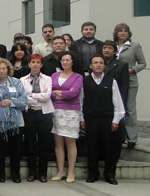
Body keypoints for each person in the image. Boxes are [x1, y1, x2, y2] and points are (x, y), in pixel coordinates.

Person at [82, 55, 126, 185]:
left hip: (108, 119)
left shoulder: (111, 81)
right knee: (92, 147)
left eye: (101, 63)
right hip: (90, 119)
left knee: (109, 148)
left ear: (104, 66)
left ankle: (110, 174)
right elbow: (80, 100)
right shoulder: (85, 81)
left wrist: (116, 120)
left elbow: (118, 102)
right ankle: (93, 174)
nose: (98, 65)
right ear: (90, 66)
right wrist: (81, 117)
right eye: (95, 63)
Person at [0, 58, 27, 183]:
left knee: (16, 150)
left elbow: (24, 101)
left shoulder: (16, 82)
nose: (1, 71)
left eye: (3, 68)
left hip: (16, 122)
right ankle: (0, 175)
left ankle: (15, 175)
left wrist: (11, 102)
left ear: (8, 69)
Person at [20, 54, 54, 183]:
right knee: (30, 144)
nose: (35, 64)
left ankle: (43, 173)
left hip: (44, 113)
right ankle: (32, 172)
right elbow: (23, 98)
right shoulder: (23, 80)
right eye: (32, 62)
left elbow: (47, 96)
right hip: (29, 113)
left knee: (44, 144)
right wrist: (37, 96)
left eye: (38, 62)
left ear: (41, 65)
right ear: (29, 64)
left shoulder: (47, 79)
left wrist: (31, 95)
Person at [49, 51, 83, 183]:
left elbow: (74, 93)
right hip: (56, 111)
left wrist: (59, 93)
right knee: (58, 142)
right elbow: (49, 92)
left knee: (70, 142)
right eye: (63, 60)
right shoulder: (54, 75)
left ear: (72, 62)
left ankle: (71, 172)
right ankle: (60, 171)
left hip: (71, 112)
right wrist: (62, 93)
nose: (65, 62)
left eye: (68, 60)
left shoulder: (78, 77)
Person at [113, 23, 146, 149]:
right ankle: (119, 136)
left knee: (130, 109)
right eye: (120, 31)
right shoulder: (112, 46)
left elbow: (143, 63)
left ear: (128, 33)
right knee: (117, 108)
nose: (122, 33)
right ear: (116, 33)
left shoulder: (134, 46)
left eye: (125, 31)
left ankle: (131, 138)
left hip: (130, 81)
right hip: (115, 81)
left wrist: (132, 70)